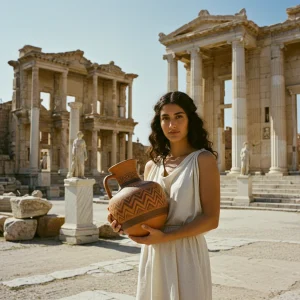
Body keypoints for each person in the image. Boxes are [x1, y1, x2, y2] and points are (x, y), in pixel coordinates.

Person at [108, 91, 220, 300]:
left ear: (190, 121)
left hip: (187, 253)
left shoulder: (203, 160)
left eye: (179, 116)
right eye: (165, 118)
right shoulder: (152, 166)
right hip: (154, 254)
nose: (172, 125)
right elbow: (146, 214)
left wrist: (167, 237)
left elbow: (211, 219)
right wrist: (126, 223)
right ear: (159, 123)